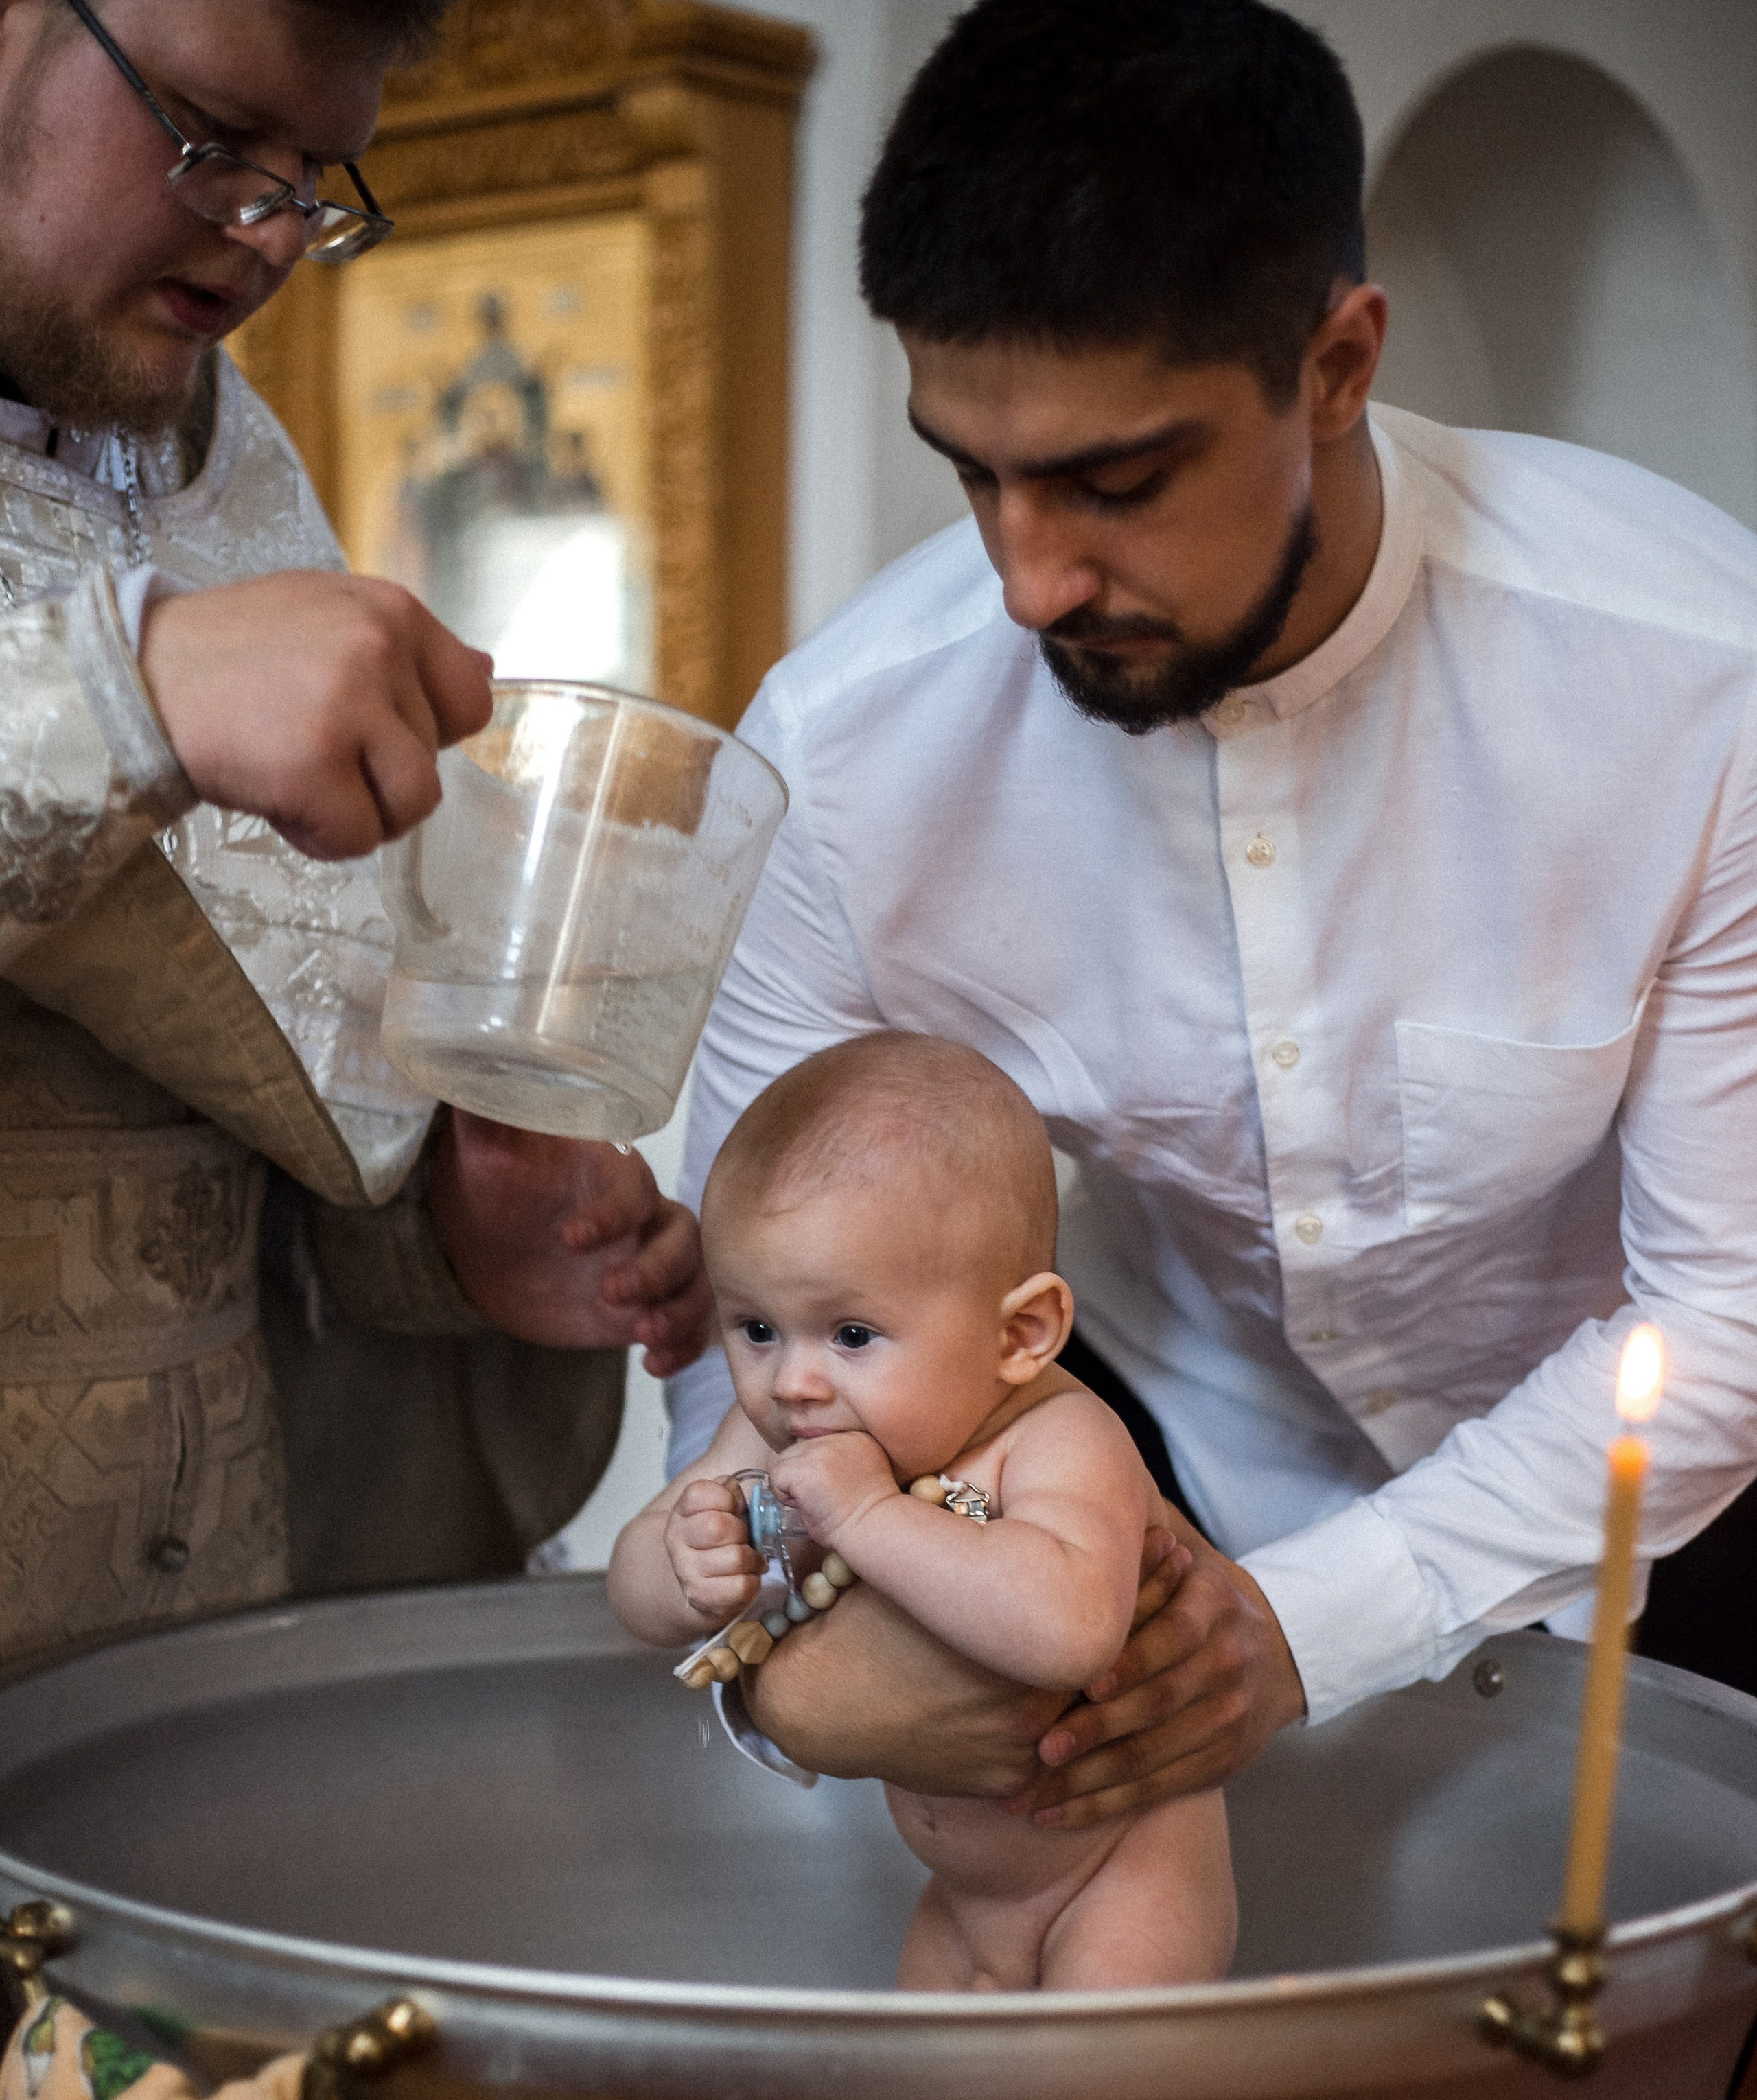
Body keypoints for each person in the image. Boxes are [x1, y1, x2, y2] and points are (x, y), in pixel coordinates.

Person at [666, 0, 1757, 1827]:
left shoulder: (1699, 684)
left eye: (1115, 482)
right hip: (1123, 1511)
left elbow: (1728, 1305)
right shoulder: (849, 760)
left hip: (1676, 1517)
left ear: (1334, 365)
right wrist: (793, 1680)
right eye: (972, 471)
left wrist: (1308, 1626)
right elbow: (757, 1343)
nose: (1027, 583)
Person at [0, 0, 710, 1672]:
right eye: (209, 131)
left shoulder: (210, 446)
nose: (265, 232)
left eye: (315, 174)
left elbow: (223, 1112)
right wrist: (126, 694)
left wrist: (450, 1237)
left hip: (186, 1680)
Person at [610, 1034, 1237, 1991]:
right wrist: (681, 1566)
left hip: (1114, 1882)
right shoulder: (782, 1429)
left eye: (852, 1333)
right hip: (963, 1899)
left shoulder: (1061, 1439)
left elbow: (1068, 1630)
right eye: (756, 1329)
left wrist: (867, 1517)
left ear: (1020, 1334)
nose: (794, 1381)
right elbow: (635, 1585)